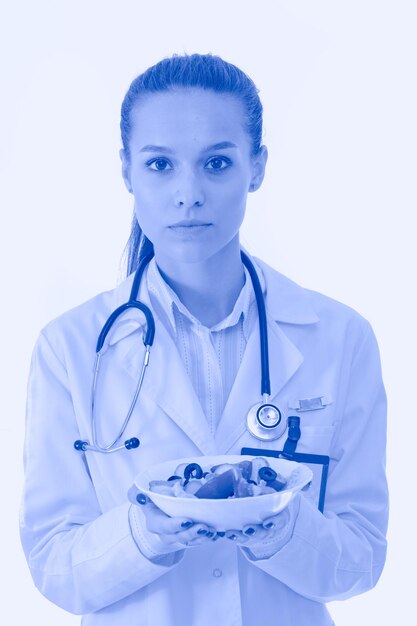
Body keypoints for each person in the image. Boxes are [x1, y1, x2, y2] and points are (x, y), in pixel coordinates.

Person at [20, 53, 388, 626]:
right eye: (160, 165)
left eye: (217, 163)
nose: (188, 193)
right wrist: (146, 532)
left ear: (257, 167)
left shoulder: (340, 338)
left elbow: (362, 558)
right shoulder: (69, 347)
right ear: (127, 172)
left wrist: (281, 529)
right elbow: (53, 565)